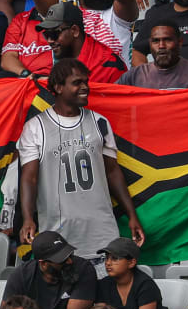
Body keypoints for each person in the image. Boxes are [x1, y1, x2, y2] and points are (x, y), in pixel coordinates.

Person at [17, 59, 145, 262]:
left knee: (102, 291)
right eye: (77, 82)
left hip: (101, 232)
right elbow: (29, 178)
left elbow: (113, 172)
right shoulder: (35, 127)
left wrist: (132, 215)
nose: (85, 87)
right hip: (58, 235)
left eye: (86, 81)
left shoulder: (100, 122)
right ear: (58, 87)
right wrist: (27, 218)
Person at [0, 0, 123, 77]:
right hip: (28, 82)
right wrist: (29, 76)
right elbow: (8, 59)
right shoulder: (21, 20)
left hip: (65, 81)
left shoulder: (74, 15)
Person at [2, 231, 97, 309]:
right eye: (62, 259)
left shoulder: (83, 269)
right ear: (43, 263)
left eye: (70, 255)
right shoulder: (22, 274)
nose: (70, 261)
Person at [94, 237, 167, 309]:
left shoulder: (145, 285)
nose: (108, 263)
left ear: (131, 262)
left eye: (115, 258)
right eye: (106, 258)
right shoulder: (104, 284)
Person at [34, 2, 127, 83]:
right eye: (46, 34)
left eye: (54, 34)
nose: (50, 40)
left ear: (74, 31)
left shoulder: (107, 65)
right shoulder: (62, 53)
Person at [116, 20, 188, 89]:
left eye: (167, 40)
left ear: (180, 42)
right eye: (156, 41)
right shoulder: (134, 76)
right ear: (150, 44)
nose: (161, 46)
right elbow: (110, 99)